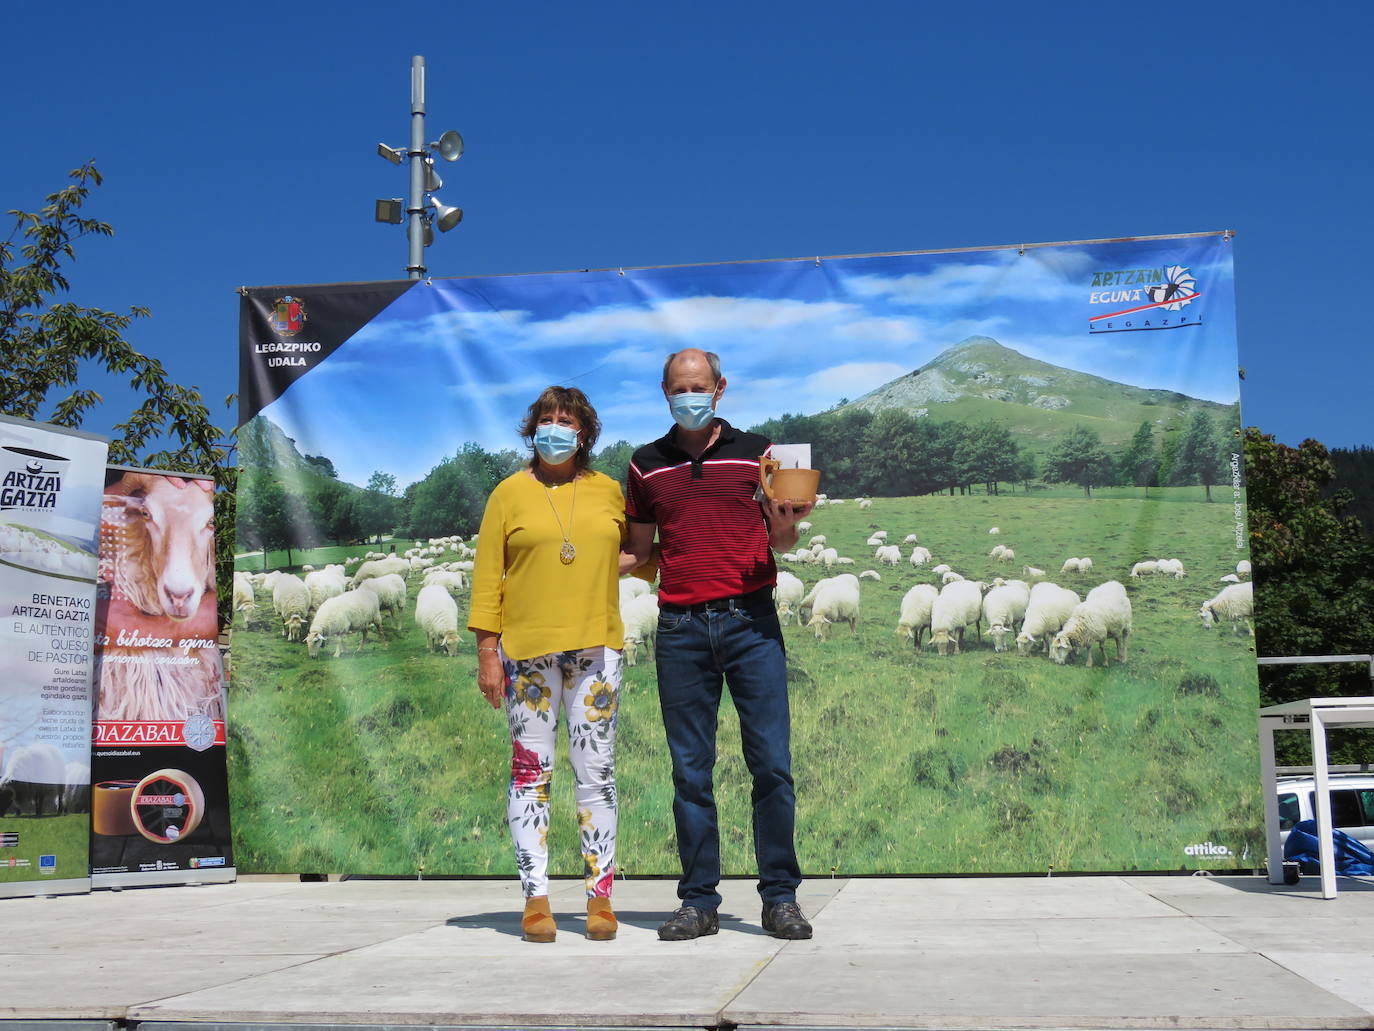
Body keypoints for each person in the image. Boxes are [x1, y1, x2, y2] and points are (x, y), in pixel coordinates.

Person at [623, 348, 815, 941]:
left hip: (751, 623)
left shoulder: (761, 453)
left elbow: (782, 541)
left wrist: (787, 520)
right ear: (665, 392)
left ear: (720, 388)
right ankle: (699, 902)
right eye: (679, 388)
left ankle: (780, 898)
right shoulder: (645, 465)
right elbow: (638, 550)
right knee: (690, 771)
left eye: (699, 386)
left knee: (772, 766)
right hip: (680, 628)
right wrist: (566, 562)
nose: (690, 396)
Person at [468, 386, 636, 943]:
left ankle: (600, 899)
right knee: (529, 776)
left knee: (597, 776)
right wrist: (487, 652)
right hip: (527, 655)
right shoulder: (508, 495)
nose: (555, 429)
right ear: (531, 429)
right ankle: (535, 898)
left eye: (567, 420)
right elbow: (488, 576)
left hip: (596, 650)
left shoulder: (610, 491)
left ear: (584, 432)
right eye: (546, 419)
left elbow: (638, 551)